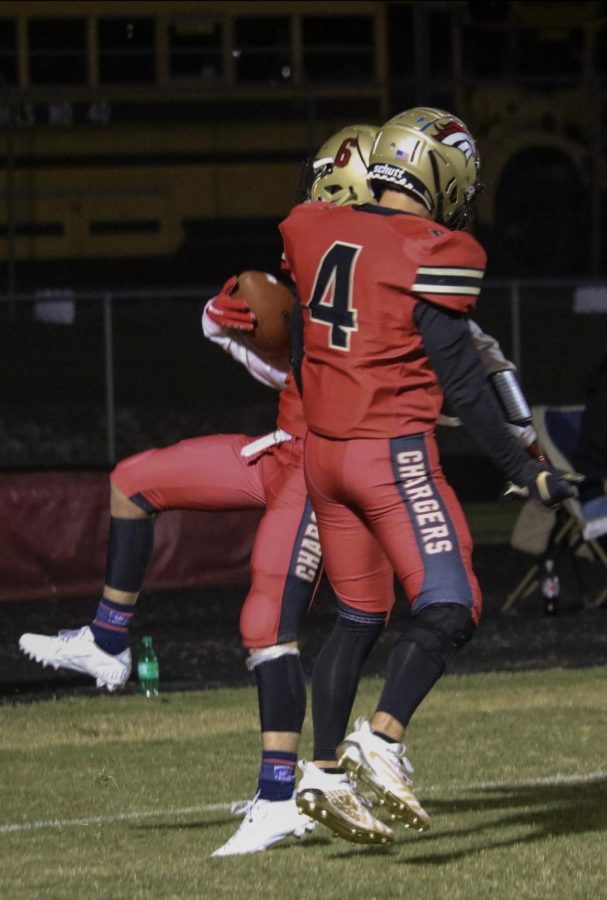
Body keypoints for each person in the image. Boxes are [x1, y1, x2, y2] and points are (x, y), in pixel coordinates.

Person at [18, 124, 380, 858]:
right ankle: (107, 639)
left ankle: (280, 797)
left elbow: (331, 377)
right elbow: (280, 356)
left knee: (264, 624)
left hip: (322, 470)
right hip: (280, 450)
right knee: (133, 480)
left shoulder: (386, 277)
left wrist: (243, 337)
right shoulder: (323, 256)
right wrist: (230, 325)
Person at [279, 106, 581, 844]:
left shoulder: (313, 225)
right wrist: (523, 470)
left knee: (357, 616)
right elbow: (462, 384)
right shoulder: (432, 248)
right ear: (440, 175)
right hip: (387, 453)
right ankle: (380, 738)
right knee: (451, 605)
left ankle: (317, 772)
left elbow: (305, 347)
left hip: (324, 455)